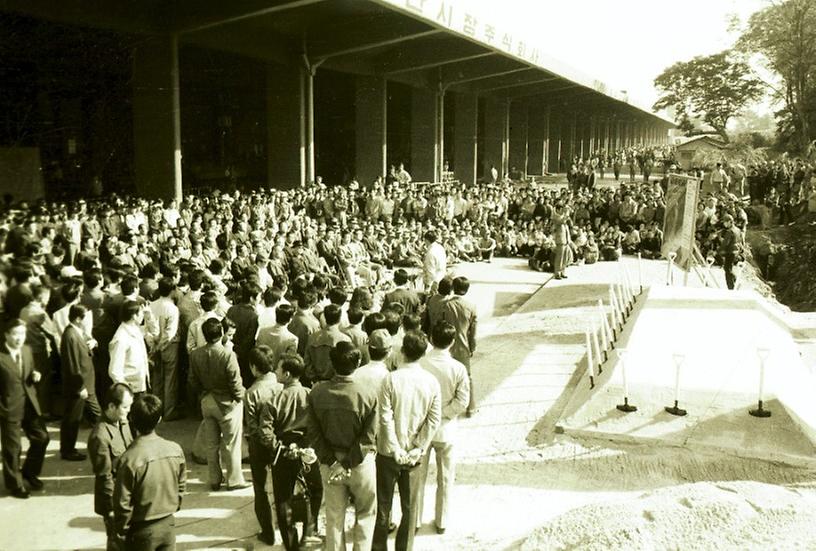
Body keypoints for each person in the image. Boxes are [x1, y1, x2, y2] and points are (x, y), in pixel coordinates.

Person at [372, 332, 441, 551]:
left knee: (383, 507)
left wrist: (394, 448)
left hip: (387, 453)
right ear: (423, 354)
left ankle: (379, 548)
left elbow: (385, 416)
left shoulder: (390, 379)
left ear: (402, 351)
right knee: (410, 509)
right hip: (414, 456)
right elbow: (433, 419)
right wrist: (418, 447)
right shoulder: (431, 382)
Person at [307, 342, 378, 551]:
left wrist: (333, 462)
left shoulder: (317, 393)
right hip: (360, 463)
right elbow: (369, 436)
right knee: (365, 514)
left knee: (334, 517)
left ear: (332, 362)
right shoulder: (368, 393)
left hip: (330, 465)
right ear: (357, 363)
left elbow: (313, 434)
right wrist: (347, 462)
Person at [258, 354, 323, 551]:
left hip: (283, 455)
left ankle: (291, 544)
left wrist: (282, 449)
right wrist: (306, 446)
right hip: (308, 452)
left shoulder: (273, 401)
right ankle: (309, 532)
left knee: (283, 499)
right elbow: (319, 425)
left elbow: (265, 433)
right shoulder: (311, 396)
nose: (275, 372)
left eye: (277, 369)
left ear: (286, 374)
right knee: (315, 490)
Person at [112, 394, 186, 550]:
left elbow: (122, 503)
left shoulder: (128, 459)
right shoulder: (175, 449)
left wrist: (122, 530)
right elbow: (181, 486)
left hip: (141, 530)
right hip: (168, 524)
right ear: (159, 419)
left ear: (132, 419)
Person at [417, 321, 470, 534]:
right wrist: (443, 414)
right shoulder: (458, 368)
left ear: (430, 339)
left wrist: (428, 414)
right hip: (446, 429)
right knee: (445, 477)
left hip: (421, 428)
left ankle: (415, 520)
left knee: (417, 478)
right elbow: (463, 401)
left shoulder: (420, 364)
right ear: (452, 342)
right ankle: (442, 521)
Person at [187, 318, 249, 491]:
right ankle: (234, 480)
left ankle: (214, 479)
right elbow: (235, 382)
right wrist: (239, 398)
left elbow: (192, 380)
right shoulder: (228, 354)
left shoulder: (196, 354)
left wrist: (202, 395)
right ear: (221, 333)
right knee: (231, 444)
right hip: (227, 403)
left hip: (207, 400)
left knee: (211, 444)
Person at [0, 318, 49, 498]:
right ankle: (15, 484)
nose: (19, 338)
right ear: (6, 335)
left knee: (42, 437)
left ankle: (29, 472)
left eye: (22, 333)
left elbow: (28, 372)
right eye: (15, 334)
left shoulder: (27, 350)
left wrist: (34, 374)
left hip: (29, 404)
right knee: (13, 449)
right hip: (9, 407)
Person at [243, 346, 283, 546]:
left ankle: (267, 532)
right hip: (280, 443)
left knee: (260, 488)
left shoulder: (251, 393)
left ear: (253, 367)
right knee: (283, 486)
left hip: (259, 445)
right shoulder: (282, 386)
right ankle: (285, 527)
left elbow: (251, 426)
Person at [87, 383, 134, 551]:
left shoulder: (122, 422)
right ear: (112, 406)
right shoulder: (100, 436)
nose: (128, 411)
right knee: (117, 542)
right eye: (125, 407)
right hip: (114, 500)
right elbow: (104, 477)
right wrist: (112, 510)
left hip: (127, 495)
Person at [60, 304, 101, 461]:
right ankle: (68, 450)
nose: (88, 321)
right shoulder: (70, 335)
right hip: (80, 386)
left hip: (85, 384)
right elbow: (72, 365)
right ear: (78, 319)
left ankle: (68, 448)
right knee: (74, 418)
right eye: (86, 318)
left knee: (75, 417)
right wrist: (80, 387)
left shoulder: (76, 332)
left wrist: (92, 344)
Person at [440, 276, 478, 417]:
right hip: (463, 347)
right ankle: (471, 407)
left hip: (446, 345)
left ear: (453, 288)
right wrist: (472, 347)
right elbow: (473, 333)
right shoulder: (471, 307)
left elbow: (441, 325)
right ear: (467, 290)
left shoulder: (446, 305)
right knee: (467, 377)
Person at [148, 278, 181, 420]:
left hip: (153, 345)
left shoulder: (152, 305)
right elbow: (170, 333)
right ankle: (168, 411)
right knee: (170, 378)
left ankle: (155, 411)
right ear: (172, 290)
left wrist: (153, 346)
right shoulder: (172, 308)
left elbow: (147, 327)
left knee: (157, 378)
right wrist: (161, 345)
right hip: (169, 346)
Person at [108, 300, 149, 395]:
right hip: (131, 390)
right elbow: (114, 370)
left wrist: (149, 316)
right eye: (141, 313)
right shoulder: (121, 338)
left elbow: (154, 332)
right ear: (134, 316)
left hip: (140, 385)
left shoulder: (135, 328)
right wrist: (125, 390)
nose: (142, 315)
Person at [304, 304, 351, 384]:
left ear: (325, 318)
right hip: (335, 383)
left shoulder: (313, 337)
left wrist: (314, 378)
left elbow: (307, 361)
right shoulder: (345, 339)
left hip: (316, 381)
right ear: (339, 319)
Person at [255, 302, 299, 371]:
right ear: (290, 319)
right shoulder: (292, 339)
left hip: (260, 371)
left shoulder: (263, 331)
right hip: (278, 375)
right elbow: (288, 364)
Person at [719, 213, 743, 290]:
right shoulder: (738, 230)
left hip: (730, 252)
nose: (724, 224)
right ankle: (735, 280)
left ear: (729, 221)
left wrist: (718, 251)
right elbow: (741, 241)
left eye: (725, 222)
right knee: (728, 268)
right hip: (736, 252)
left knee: (727, 270)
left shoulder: (730, 231)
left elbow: (725, 243)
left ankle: (731, 287)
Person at [422, 230, 447, 295]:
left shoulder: (430, 253)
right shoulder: (440, 247)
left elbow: (430, 271)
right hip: (442, 276)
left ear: (426, 240)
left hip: (434, 281)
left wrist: (428, 285)